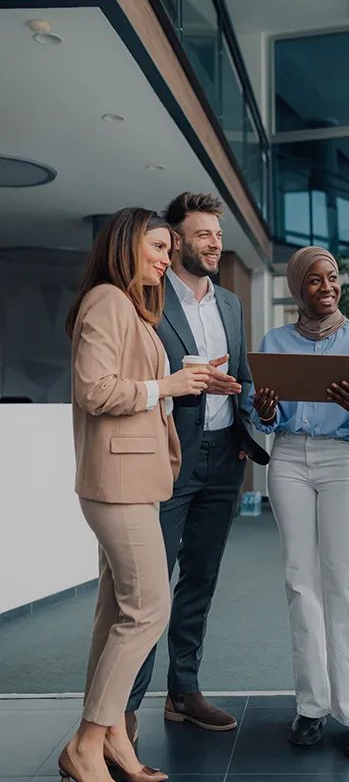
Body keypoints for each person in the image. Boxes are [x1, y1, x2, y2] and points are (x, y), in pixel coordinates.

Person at [62, 207, 209, 782]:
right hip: (116, 482)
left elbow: (138, 387)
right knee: (149, 607)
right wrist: (165, 387)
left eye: (169, 248)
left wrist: (182, 379)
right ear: (124, 245)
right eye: (156, 246)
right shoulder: (106, 300)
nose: (165, 257)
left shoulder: (132, 308)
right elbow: (95, 390)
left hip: (137, 479)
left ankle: (115, 737)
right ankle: (86, 743)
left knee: (115, 611)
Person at [125, 192, 268, 742]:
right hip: (167, 457)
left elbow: (247, 379)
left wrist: (248, 401)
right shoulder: (148, 300)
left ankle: (183, 692)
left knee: (200, 581)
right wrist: (183, 387)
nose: (215, 243)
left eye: (218, 234)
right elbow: (139, 374)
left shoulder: (230, 304)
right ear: (177, 240)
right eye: (204, 234)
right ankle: (126, 710)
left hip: (224, 456)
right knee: (148, 589)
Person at [251, 246, 349, 757]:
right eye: (315, 281)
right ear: (299, 289)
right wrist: (266, 411)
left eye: (332, 278)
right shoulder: (275, 341)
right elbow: (264, 417)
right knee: (300, 581)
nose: (327, 287)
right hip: (290, 458)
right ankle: (311, 707)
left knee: (346, 579)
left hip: (344, 460)